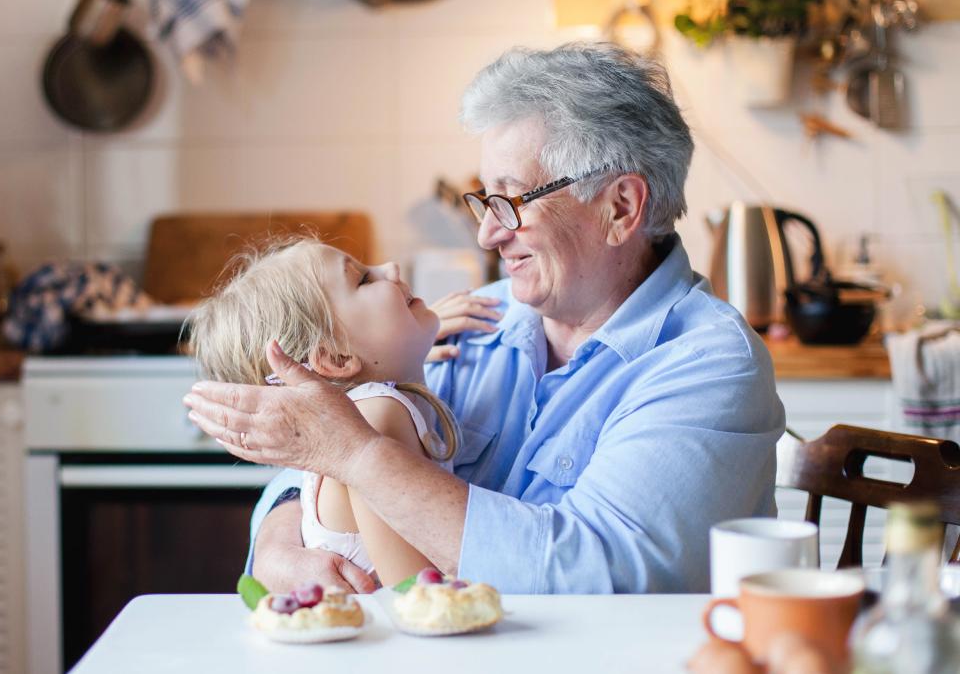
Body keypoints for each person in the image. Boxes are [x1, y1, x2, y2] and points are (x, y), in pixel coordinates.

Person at [183, 42, 785, 594]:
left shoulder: (708, 364)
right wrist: (279, 545)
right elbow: (320, 460)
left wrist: (362, 456)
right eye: (484, 199)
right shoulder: (469, 323)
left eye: (511, 200)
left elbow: (598, 575)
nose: (488, 231)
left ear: (620, 207)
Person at [187, 238, 462, 586]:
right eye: (363, 280)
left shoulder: (378, 411)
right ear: (337, 359)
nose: (390, 268)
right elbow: (416, 592)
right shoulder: (376, 416)